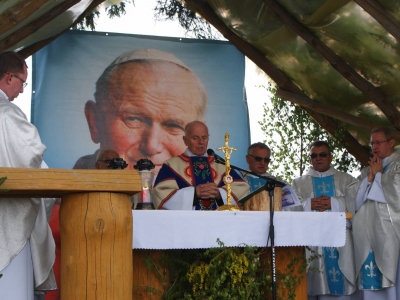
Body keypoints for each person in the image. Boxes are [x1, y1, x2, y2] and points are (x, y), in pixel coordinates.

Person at [73, 49, 208, 176]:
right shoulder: (70, 194)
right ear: (95, 122)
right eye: (133, 119)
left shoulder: (213, 186)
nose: (151, 146)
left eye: (174, 126)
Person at [0, 51, 56, 299]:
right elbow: (31, 156)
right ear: (9, 77)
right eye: (23, 82)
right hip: (8, 215)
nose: (22, 90)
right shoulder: (7, 114)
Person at [292, 141, 359, 300]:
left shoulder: (347, 180)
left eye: (323, 155)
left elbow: (357, 201)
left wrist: (334, 202)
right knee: (314, 282)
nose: (318, 158)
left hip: (340, 240)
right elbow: (290, 208)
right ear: (310, 159)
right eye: (314, 155)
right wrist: (307, 204)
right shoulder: (298, 183)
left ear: (330, 157)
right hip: (312, 241)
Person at [153, 121, 249, 210]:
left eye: (204, 137)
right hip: (185, 224)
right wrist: (194, 193)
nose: (201, 142)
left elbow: (242, 190)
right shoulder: (171, 166)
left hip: (219, 222)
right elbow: (161, 195)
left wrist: (219, 193)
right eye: (195, 138)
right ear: (185, 140)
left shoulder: (221, 165)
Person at [353, 127, 400, 299]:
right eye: (372, 143)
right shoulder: (367, 170)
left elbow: (396, 195)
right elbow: (356, 202)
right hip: (368, 235)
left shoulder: (398, 164)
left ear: (391, 143)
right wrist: (370, 179)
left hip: (390, 234)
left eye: (378, 142)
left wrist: (379, 175)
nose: (374, 147)